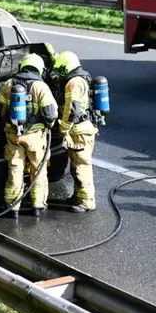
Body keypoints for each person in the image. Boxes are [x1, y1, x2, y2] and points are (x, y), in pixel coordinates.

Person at [0, 53, 58, 218]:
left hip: (14, 136)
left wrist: (7, 126)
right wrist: (47, 126)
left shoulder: (9, 84)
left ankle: (12, 207)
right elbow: (51, 114)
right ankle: (37, 206)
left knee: (15, 169)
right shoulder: (40, 87)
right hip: (35, 137)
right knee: (38, 169)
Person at [52, 51, 98, 213]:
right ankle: (78, 196)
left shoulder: (73, 83)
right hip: (83, 128)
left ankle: (86, 202)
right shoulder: (82, 78)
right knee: (76, 166)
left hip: (78, 131)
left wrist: (63, 129)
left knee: (81, 166)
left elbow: (71, 109)